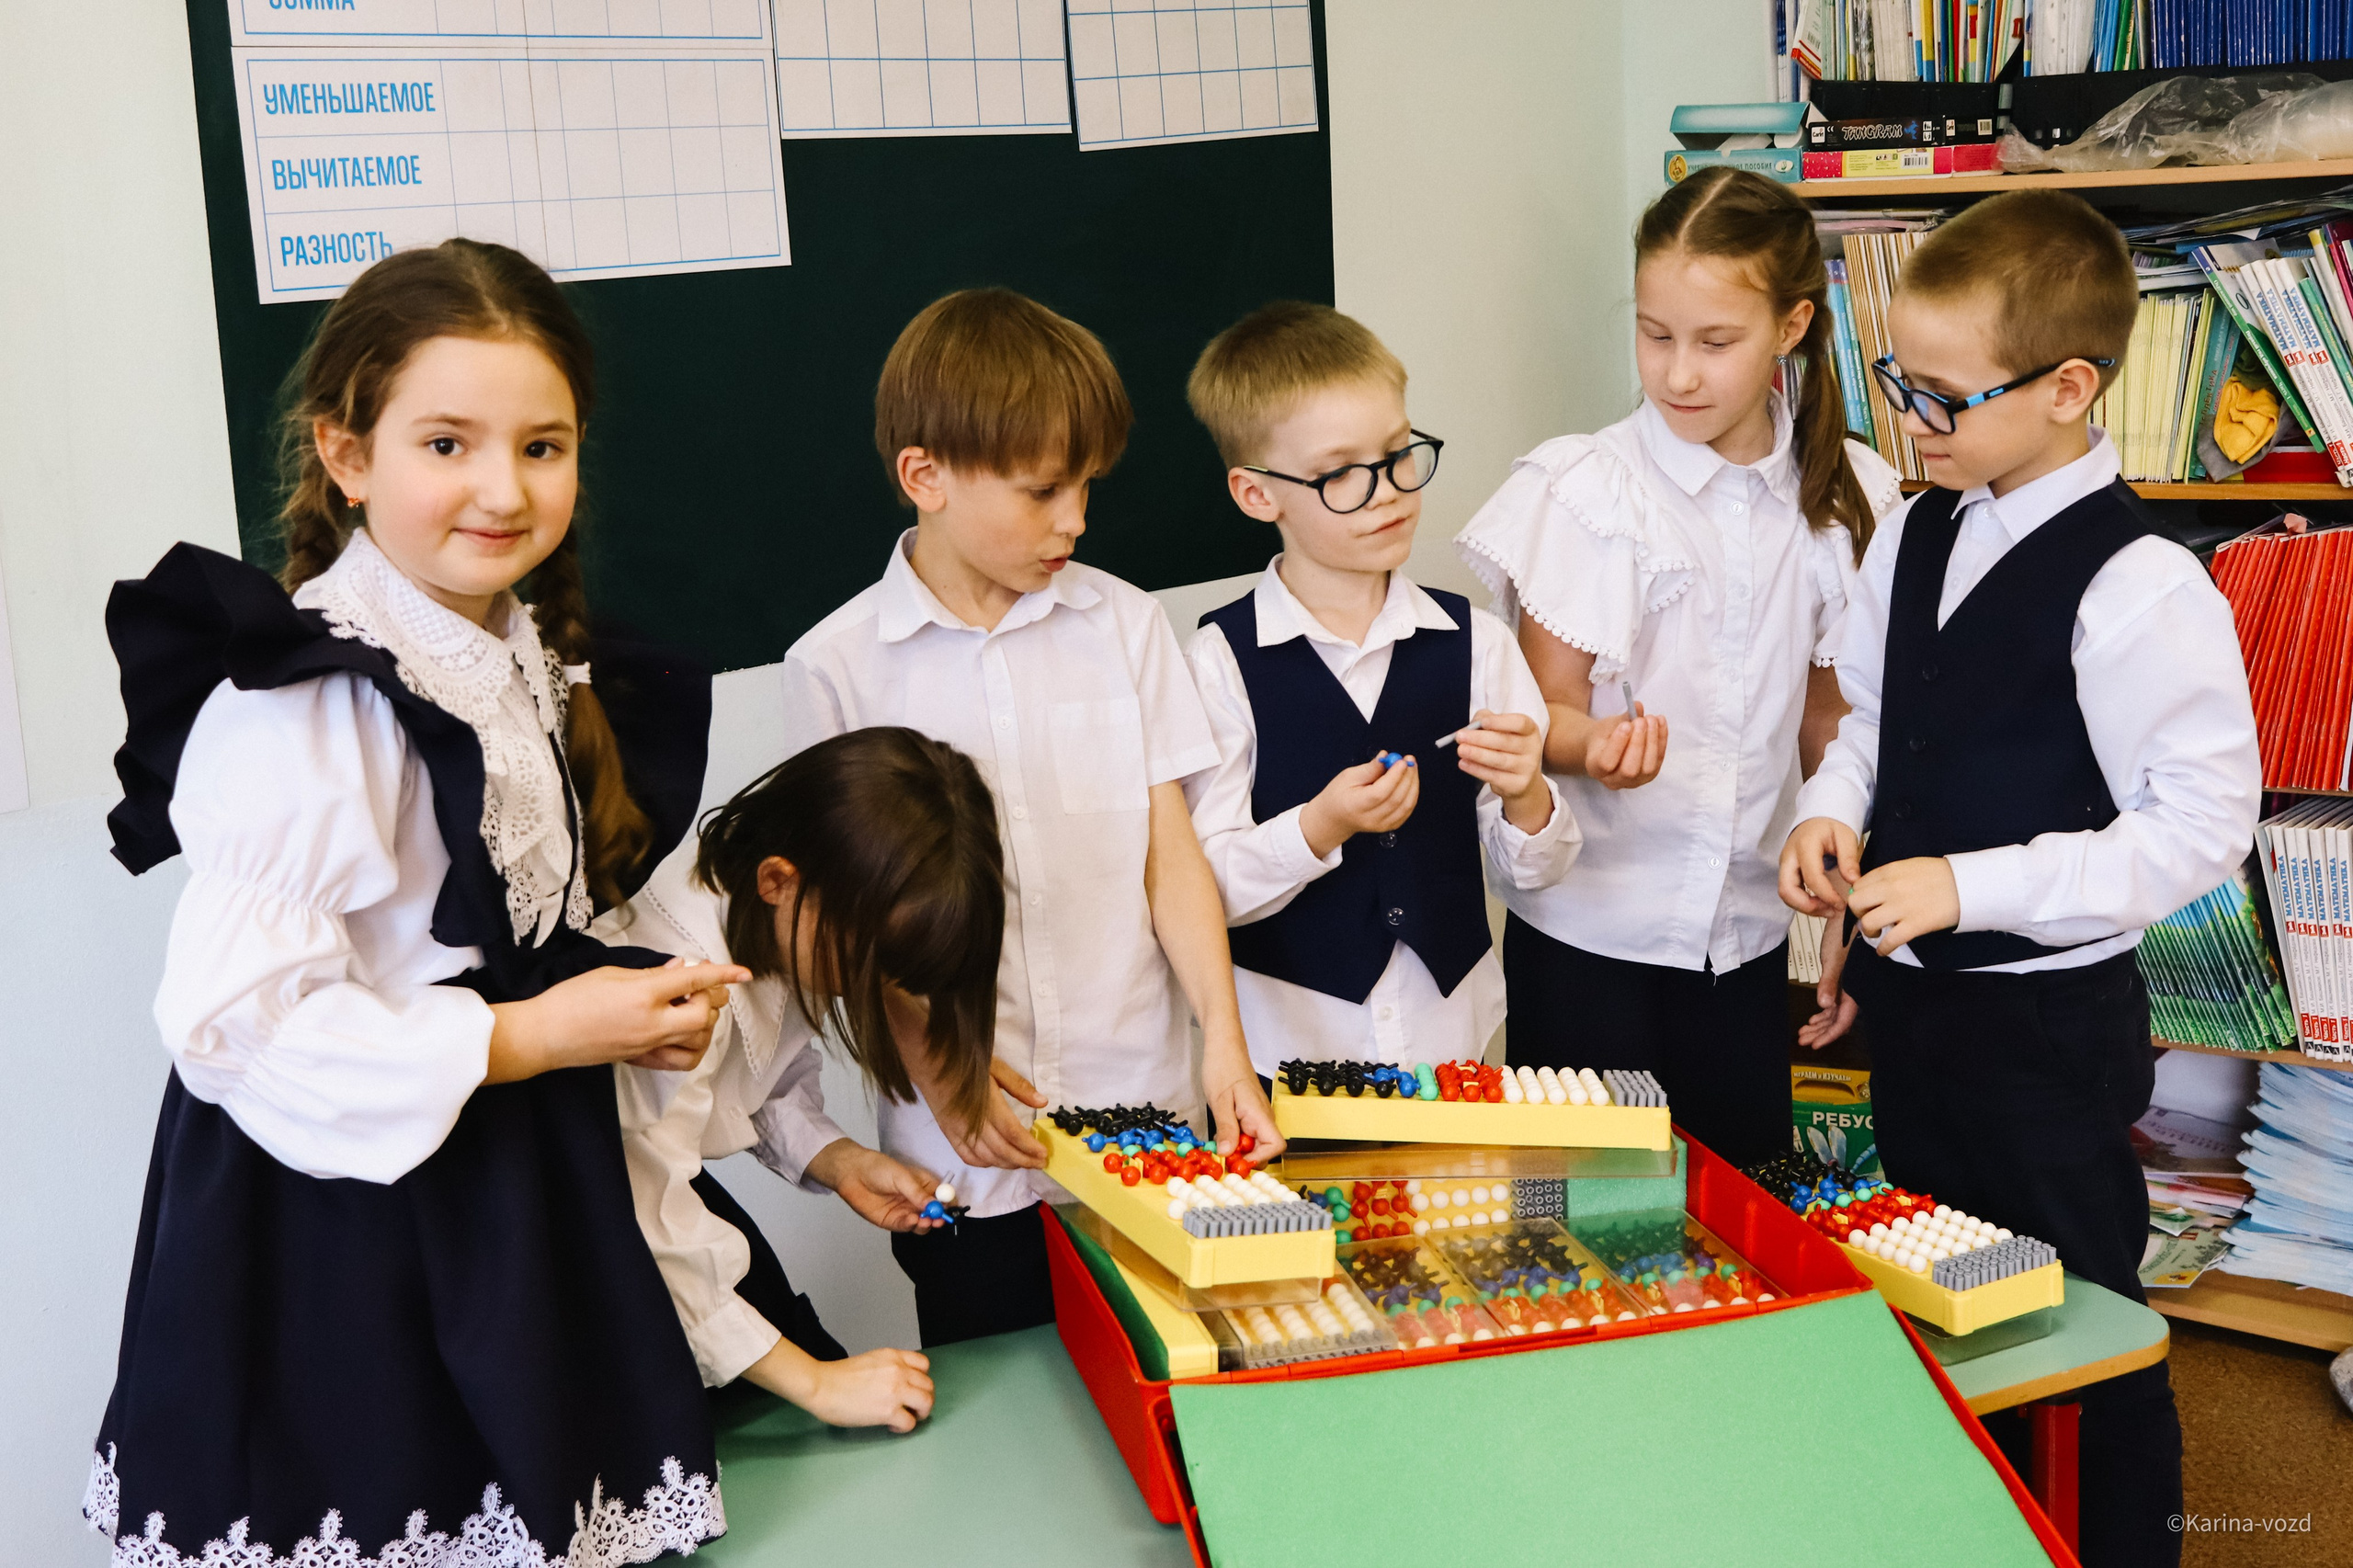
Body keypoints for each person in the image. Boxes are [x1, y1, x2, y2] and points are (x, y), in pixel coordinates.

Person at [88, 239, 748, 1563]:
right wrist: (543, 1036)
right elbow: (235, 1023)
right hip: (354, 1233)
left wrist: (624, 1007)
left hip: (512, 1193)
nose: (503, 489)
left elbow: (501, 931)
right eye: (446, 443)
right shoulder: (311, 700)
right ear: (348, 455)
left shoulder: (523, 656)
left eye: (542, 446)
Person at [1780, 188, 2260, 1567]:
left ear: (2066, 388)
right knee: (1946, 1295)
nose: (1912, 422)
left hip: (2047, 1030)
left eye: (1939, 397)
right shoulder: (1923, 523)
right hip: (1918, 1011)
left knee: (2083, 1326)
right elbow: (1870, 717)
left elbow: (2199, 827)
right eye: (1898, 386)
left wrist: (1966, 886)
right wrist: (1830, 812)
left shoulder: (2144, 587)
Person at [778, 288, 1283, 1346]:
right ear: (926, 476)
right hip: (960, 1145)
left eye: (1089, 486)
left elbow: (1170, 856)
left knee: (1177, 1384)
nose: (1077, 520)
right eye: (1044, 489)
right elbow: (852, 928)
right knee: (1009, 1418)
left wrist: (1224, 1046)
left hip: (1140, 1114)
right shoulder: (835, 667)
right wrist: (945, 1077)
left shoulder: (1125, 623)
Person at [1453, 165, 1904, 1167]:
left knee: (1735, 1208)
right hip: (1588, 937)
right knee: (1580, 1228)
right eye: (1655, 335)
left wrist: (1851, 882)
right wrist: (1596, 744)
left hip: (1740, 937)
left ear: (1791, 326)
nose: (1677, 374)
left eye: (1714, 342)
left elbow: (1830, 723)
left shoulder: (1847, 488)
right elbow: (1544, 716)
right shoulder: (1586, 491)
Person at [1179, 301, 1578, 1076]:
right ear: (1258, 494)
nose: (1388, 491)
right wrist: (1318, 826)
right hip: (1285, 1058)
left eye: (1399, 455)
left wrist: (1528, 795)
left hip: (1452, 1048)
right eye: (1340, 475)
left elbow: (1537, 871)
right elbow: (1207, 890)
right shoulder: (1217, 662)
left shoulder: (1478, 644)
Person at [608, 726, 1006, 1431]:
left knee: (811, 1363)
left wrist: (840, 1160)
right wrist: (818, 1384)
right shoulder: (680, 985)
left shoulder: (774, 919)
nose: (873, 990)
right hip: (598, 1221)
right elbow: (649, 1228)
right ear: (778, 882)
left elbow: (764, 1080)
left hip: (650, 1189)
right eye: (866, 962)